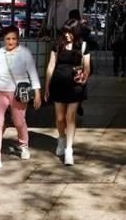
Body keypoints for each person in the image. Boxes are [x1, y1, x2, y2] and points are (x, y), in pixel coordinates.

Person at [0, 27, 41, 172]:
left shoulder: (25, 53)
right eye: (8, 39)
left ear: (18, 39)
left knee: (19, 122)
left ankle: (24, 145)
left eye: (13, 38)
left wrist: (37, 94)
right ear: (3, 40)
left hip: (18, 93)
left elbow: (33, 74)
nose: (11, 42)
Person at [44, 19, 90, 165]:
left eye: (70, 32)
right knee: (59, 118)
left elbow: (87, 66)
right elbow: (51, 65)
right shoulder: (57, 45)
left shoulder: (83, 46)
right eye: (65, 32)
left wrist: (83, 76)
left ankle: (69, 150)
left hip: (75, 86)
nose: (67, 35)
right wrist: (46, 86)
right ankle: (62, 138)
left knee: (70, 117)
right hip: (58, 83)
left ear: (76, 32)